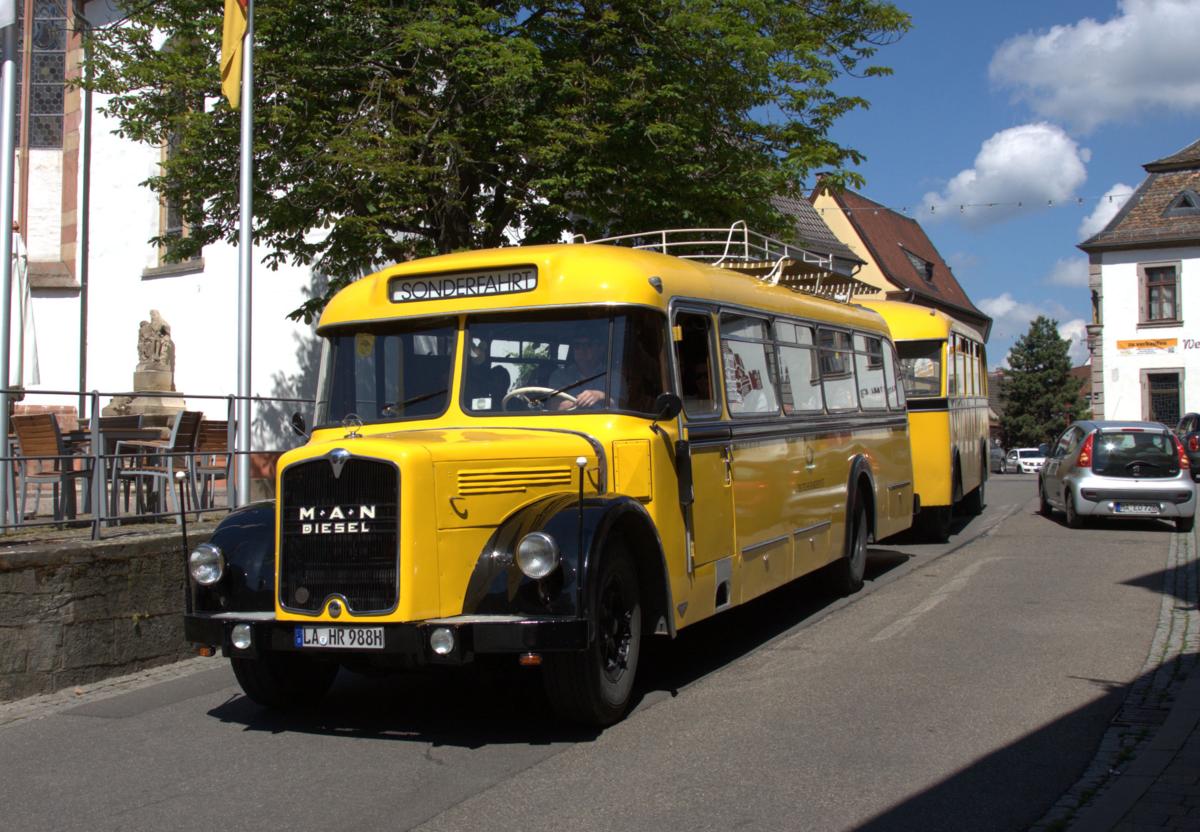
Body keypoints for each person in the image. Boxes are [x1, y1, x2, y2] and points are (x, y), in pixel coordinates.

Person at [549, 332, 607, 410]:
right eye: (577, 346)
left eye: (588, 345)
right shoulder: (559, 375)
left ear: (601, 349)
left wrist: (601, 396)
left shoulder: (612, 376)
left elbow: (620, 405)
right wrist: (578, 402)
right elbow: (555, 407)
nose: (581, 350)